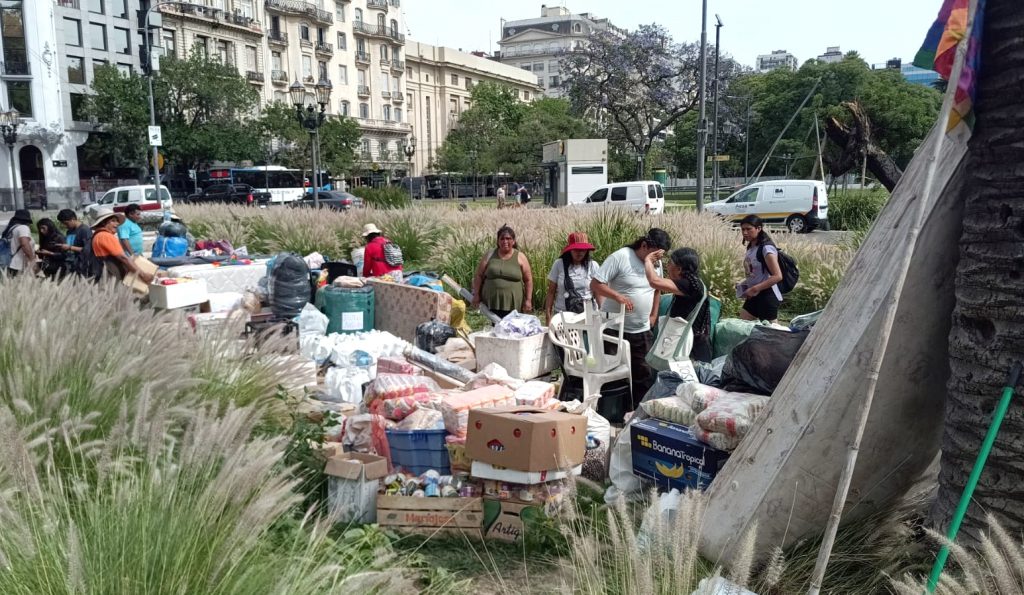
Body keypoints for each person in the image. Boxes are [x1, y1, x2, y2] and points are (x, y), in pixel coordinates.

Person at [590, 228, 672, 411]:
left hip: (641, 330)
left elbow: (657, 289)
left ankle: (637, 413)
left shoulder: (655, 263)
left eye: (660, 256)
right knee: (613, 374)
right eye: (654, 255)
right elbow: (596, 284)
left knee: (643, 374)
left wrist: (653, 315)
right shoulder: (621, 257)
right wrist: (617, 296)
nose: (657, 260)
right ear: (644, 245)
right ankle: (611, 412)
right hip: (614, 329)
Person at [643, 247, 712, 363]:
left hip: (691, 349)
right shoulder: (692, 283)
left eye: (670, 263)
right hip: (689, 344)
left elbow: (654, 281)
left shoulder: (689, 285)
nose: (667, 266)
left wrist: (648, 260)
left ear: (679, 269)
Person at [472, 225, 533, 318]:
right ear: (498, 241)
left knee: (511, 325)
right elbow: (479, 275)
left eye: (508, 238)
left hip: (513, 302)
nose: (505, 241)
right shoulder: (489, 255)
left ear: (513, 241)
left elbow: (528, 280)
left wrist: (528, 300)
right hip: (491, 301)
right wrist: (476, 294)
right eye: (502, 239)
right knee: (493, 325)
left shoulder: (520, 257)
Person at [544, 232, 602, 323]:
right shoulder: (559, 264)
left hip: (587, 315)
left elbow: (598, 292)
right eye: (576, 249)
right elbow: (551, 292)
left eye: (583, 250)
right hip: (562, 315)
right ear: (570, 250)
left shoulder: (593, 266)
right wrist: (548, 315)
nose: (580, 253)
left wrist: (602, 312)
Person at [738, 214, 784, 323]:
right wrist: (744, 283)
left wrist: (754, 289)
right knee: (745, 323)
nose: (745, 233)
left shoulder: (767, 248)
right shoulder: (751, 247)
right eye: (743, 229)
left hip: (767, 295)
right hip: (754, 295)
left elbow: (777, 276)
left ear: (758, 228)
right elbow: (754, 271)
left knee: (771, 330)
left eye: (748, 229)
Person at [91, 207, 154, 284]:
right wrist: (143, 275)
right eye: (113, 221)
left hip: (103, 274)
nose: (117, 224)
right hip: (110, 275)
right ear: (104, 223)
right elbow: (123, 258)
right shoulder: (106, 236)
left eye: (117, 221)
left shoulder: (98, 235)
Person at [56, 209, 98, 279]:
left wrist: (70, 247)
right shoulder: (69, 231)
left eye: (66, 223)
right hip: (70, 266)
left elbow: (88, 250)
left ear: (73, 219)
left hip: (81, 266)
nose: (65, 226)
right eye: (62, 224)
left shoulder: (84, 230)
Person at [2, 209, 36, 277]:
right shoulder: (23, 228)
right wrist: (32, 260)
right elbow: (24, 244)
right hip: (17, 264)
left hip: (8, 262)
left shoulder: (11, 228)